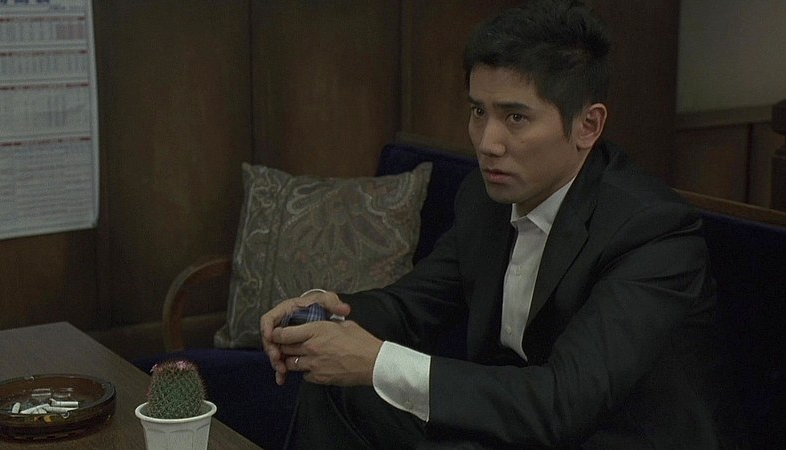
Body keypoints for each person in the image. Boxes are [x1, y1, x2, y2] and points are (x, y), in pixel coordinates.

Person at [261, 0, 728, 448]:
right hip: (514, 422)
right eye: (479, 111)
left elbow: (563, 403)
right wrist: (323, 316)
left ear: (587, 126)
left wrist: (377, 362)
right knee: (335, 386)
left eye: (515, 117)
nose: (488, 143)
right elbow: (411, 307)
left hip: (600, 434)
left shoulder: (652, 231)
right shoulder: (484, 199)